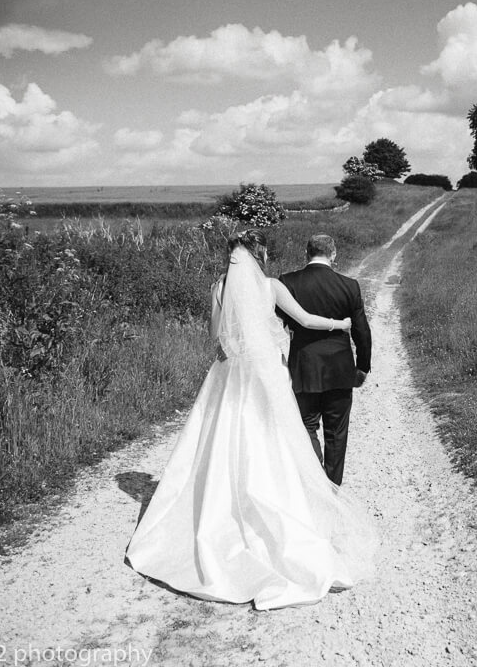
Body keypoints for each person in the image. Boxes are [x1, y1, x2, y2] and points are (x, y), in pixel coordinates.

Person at [126, 230, 376, 609]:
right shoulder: (271, 286)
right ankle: (294, 503)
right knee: (275, 437)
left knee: (227, 434)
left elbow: (215, 333)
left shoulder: (219, 286)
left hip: (231, 371)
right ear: (259, 252)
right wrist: (341, 326)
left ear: (230, 256)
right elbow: (306, 319)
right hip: (266, 371)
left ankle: (223, 505)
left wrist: (231, 336)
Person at [278, 235, 371, 486]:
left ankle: (314, 481)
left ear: (306, 253)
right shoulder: (349, 285)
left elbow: (276, 327)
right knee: (337, 433)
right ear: (334, 254)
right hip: (340, 369)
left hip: (304, 367)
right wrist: (362, 367)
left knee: (306, 427)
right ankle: (333, 488)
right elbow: (361, 331)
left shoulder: (288, 282)